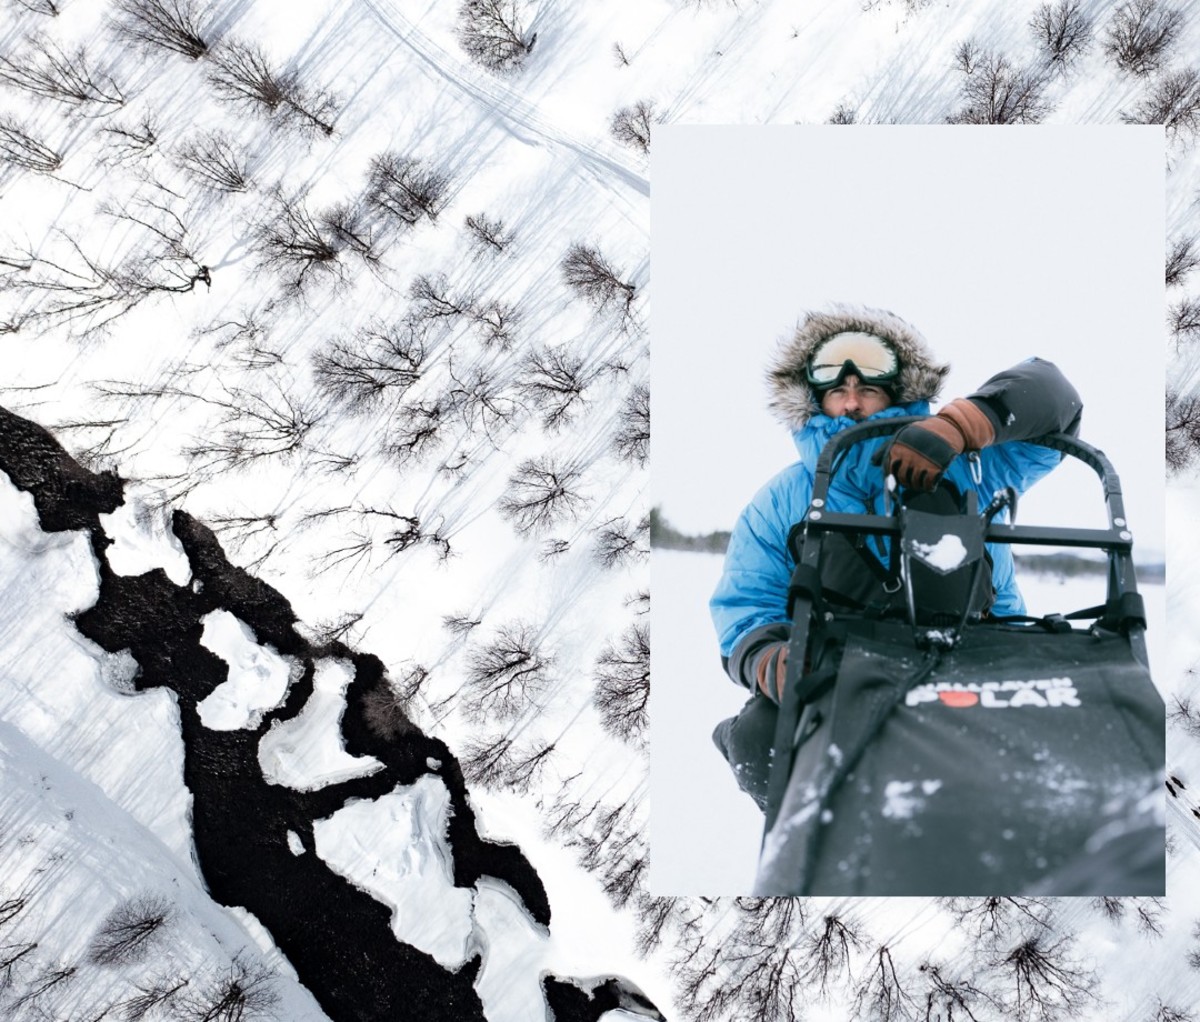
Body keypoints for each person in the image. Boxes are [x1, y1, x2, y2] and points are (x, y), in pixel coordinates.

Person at [710, 304, 1083, 810]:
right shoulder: (781, 501)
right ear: (815, 402)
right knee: (759, 739)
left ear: (897, 392)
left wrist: (962, 425)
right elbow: (747, 605)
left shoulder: (973, 467)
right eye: (838, 392)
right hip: (842, 671)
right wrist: (770, 658)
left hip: (979, 653)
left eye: (868, 389)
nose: (852, 403)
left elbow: (1056, 397)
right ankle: (830, 838)